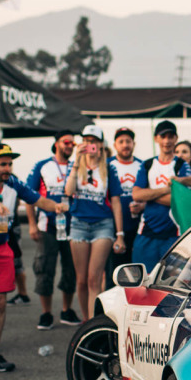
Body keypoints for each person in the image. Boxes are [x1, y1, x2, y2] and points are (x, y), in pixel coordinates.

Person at [0, 143, 68, 375]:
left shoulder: (13, 182)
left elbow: (39, 200)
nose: (8, 168)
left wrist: (57, 207)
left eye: (10, 163)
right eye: (3, 163)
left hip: (1, 247)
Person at [66, 125, 127, 323]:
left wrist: (120, 234)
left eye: (94, 141)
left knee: (95, 278)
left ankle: (93, 322)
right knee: (81, 279)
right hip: (78, 224)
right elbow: (68, 191)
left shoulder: (109, 168)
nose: (90, 144)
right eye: (87, 140)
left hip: (103, 224)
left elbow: (116, 202)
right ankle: (86, 319)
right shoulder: (75, 165)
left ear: (100, 144)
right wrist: (76, 161)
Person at [26, 130, 79, 329]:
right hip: (47, 225)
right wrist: (31, 224)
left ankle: (67, 310)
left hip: (73, 226)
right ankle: (46, 313)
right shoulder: (42, 166)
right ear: (56, 144)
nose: (70, 146)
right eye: (66, 142)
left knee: (70, 270)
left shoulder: (77, 166)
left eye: (73, 143)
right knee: (44, 269)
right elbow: (29, 196)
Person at [131, 121, 191, 272]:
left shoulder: (181, 165)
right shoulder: (147, 165)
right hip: (146, 233)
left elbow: (181, 201)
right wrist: (167, 190)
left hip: (174, 235)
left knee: (172, 286)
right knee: (142, 283)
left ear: (176, 138)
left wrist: (149, 194)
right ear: (156, 139)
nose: (167, 141)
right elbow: (136, 194)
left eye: (170, 136)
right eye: (163, 136)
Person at [107, 127, 142, 285]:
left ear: (134, 144)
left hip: (137, 226)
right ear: (115, 145)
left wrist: (142, 205)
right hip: (112, 227)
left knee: (134, 271)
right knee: (112, 271)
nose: (125, 145)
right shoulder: (107, 165)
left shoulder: (143, 166)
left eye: (128, 141)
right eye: (121, 141)